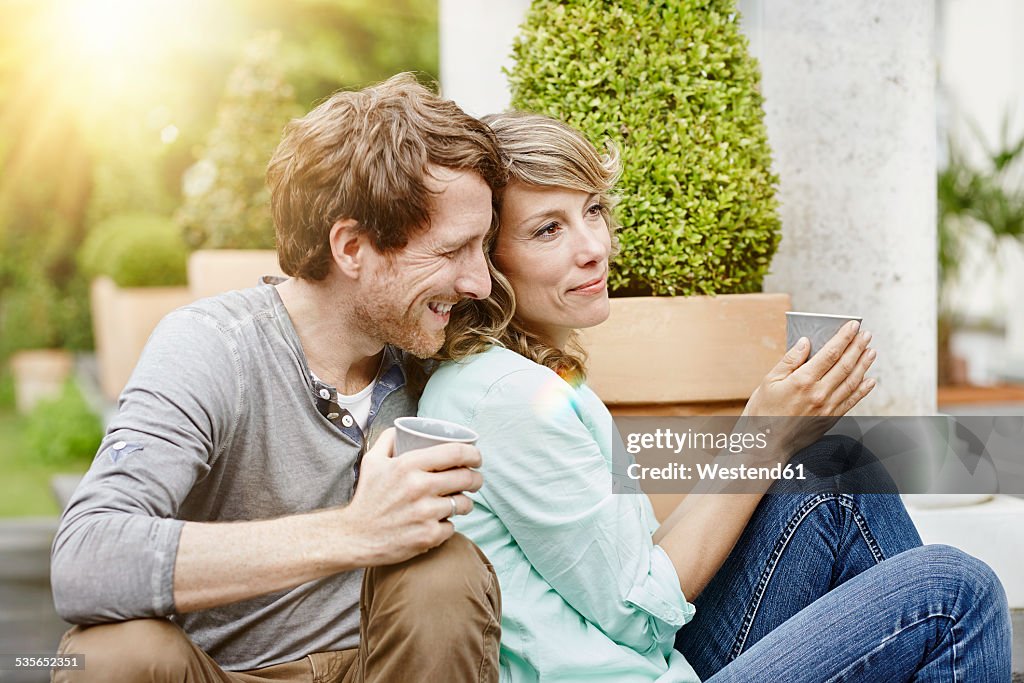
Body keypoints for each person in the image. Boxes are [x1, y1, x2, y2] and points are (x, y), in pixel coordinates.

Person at [418, 111, 1012, 682]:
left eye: (593, 210)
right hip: (639, 666)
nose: (593, 246)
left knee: (834, 470)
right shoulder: (507, 397)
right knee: (953, 591)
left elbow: (627, 577)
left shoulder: (524, 377)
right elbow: (637, 613)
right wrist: (762, 436)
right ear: (485, 261)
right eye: (548, 229)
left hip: (652, 663)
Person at [49, 74, 506, 683]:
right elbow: (86, 559)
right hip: (223, 672)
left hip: (383, 668)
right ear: (351, 247)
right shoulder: (213, 346)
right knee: (109, 656)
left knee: (444, 571)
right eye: (453, 251)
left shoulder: (445, 348)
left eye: (485, 248)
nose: (478, 281)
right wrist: (354, 532)